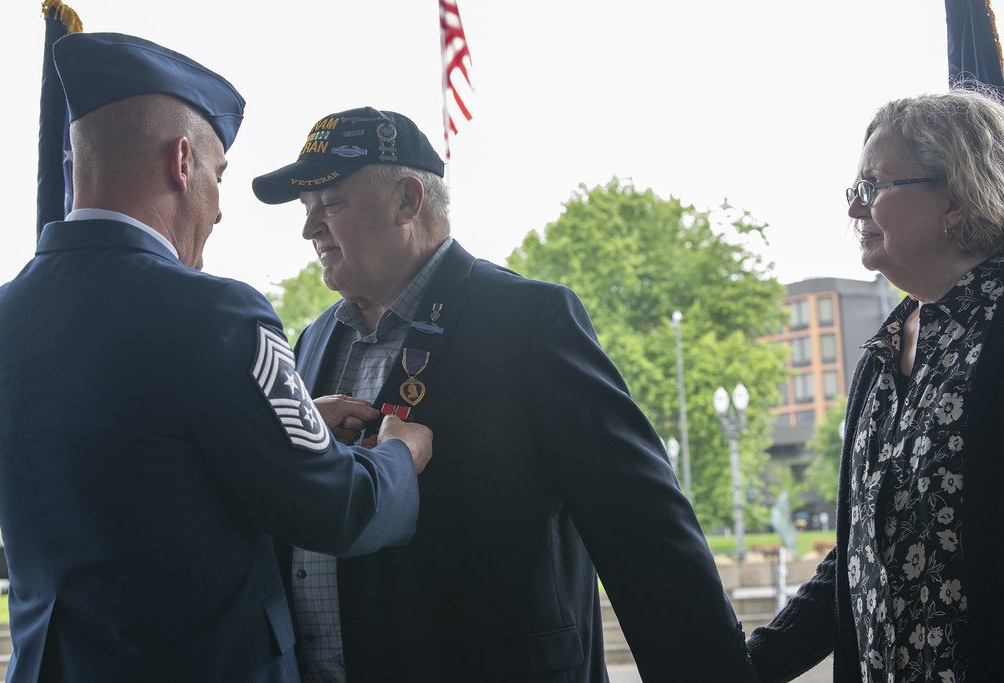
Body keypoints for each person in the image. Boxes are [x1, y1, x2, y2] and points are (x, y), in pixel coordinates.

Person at [0, 35, 432, 683]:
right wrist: (399, 455)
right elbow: (336, 507)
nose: (219, 209)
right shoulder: (216, 315)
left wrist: (292, 417)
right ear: (182, 161)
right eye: (219, 177)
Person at [252, 106, 758, 682]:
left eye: (331, 203)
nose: (309, 228)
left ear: (407, 201)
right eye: (306, 209)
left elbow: (646, 531)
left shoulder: (529, 321)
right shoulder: (312, 341)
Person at [746, 88, 1004, 682]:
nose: (855, 211)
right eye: (853, 192)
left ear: (956, 198)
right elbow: (861, 551)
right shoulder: (880, 357)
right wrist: (749, 668)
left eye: (876, 188)